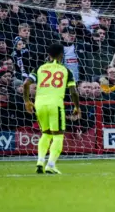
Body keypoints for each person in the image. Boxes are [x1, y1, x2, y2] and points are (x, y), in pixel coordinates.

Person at [22, 43, 80, 174]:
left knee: (46, 133)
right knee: (58, 135)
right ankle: (51, 164)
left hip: (39, 104)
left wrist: (27, 101)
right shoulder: (66, 70)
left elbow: (26, 83)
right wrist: (77, 107)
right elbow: (73, 91)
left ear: (48, 55)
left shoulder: (40, 68)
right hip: (55, 104)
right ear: (61, 55)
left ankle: (40, 161)